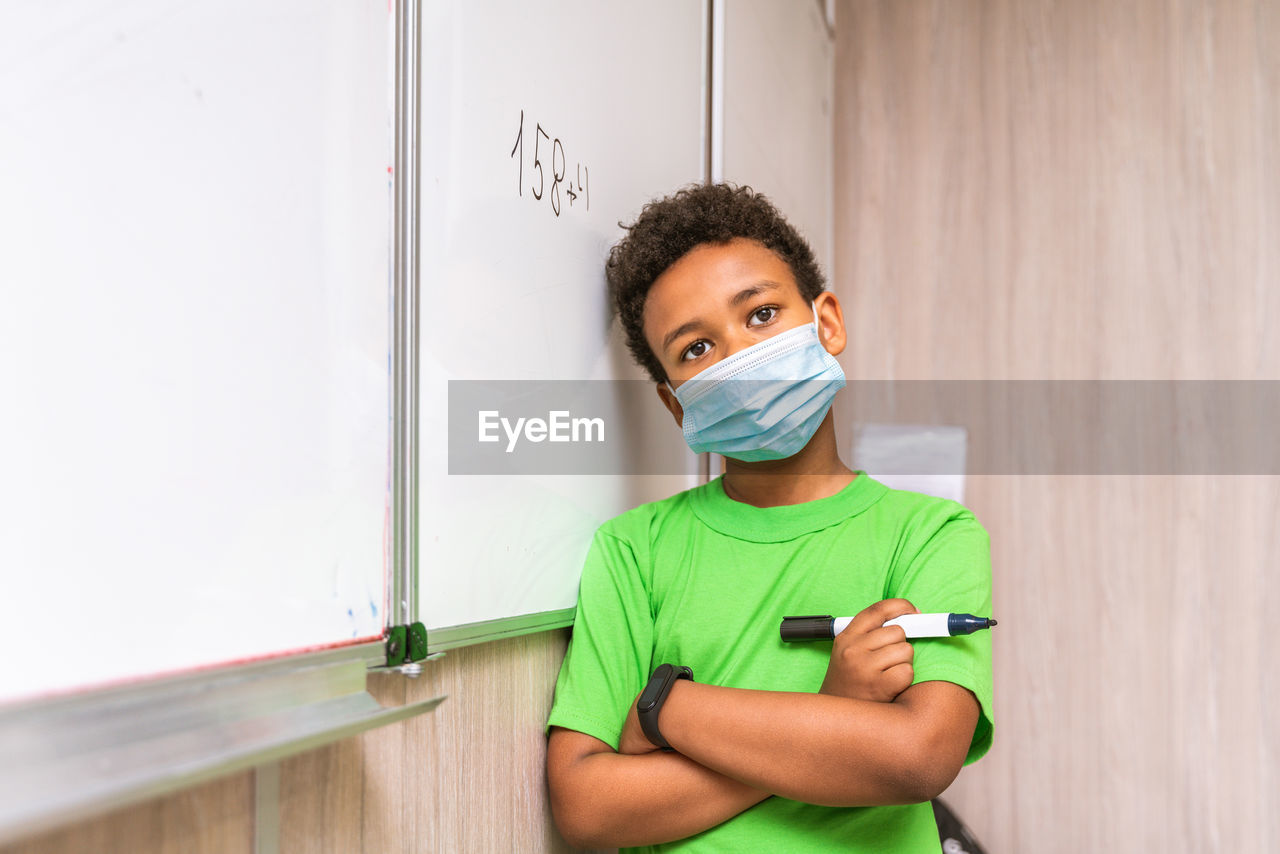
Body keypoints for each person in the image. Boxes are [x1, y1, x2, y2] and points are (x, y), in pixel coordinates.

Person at [545, 183, 993, 852]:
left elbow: (917, 759)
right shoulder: (633, 551)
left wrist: (668, 709)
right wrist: (835, 716)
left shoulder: (930, 534)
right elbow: (586, 807)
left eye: (760, 315)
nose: (740, 360)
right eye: (696, 349)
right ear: (678, 406)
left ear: (827, 323)